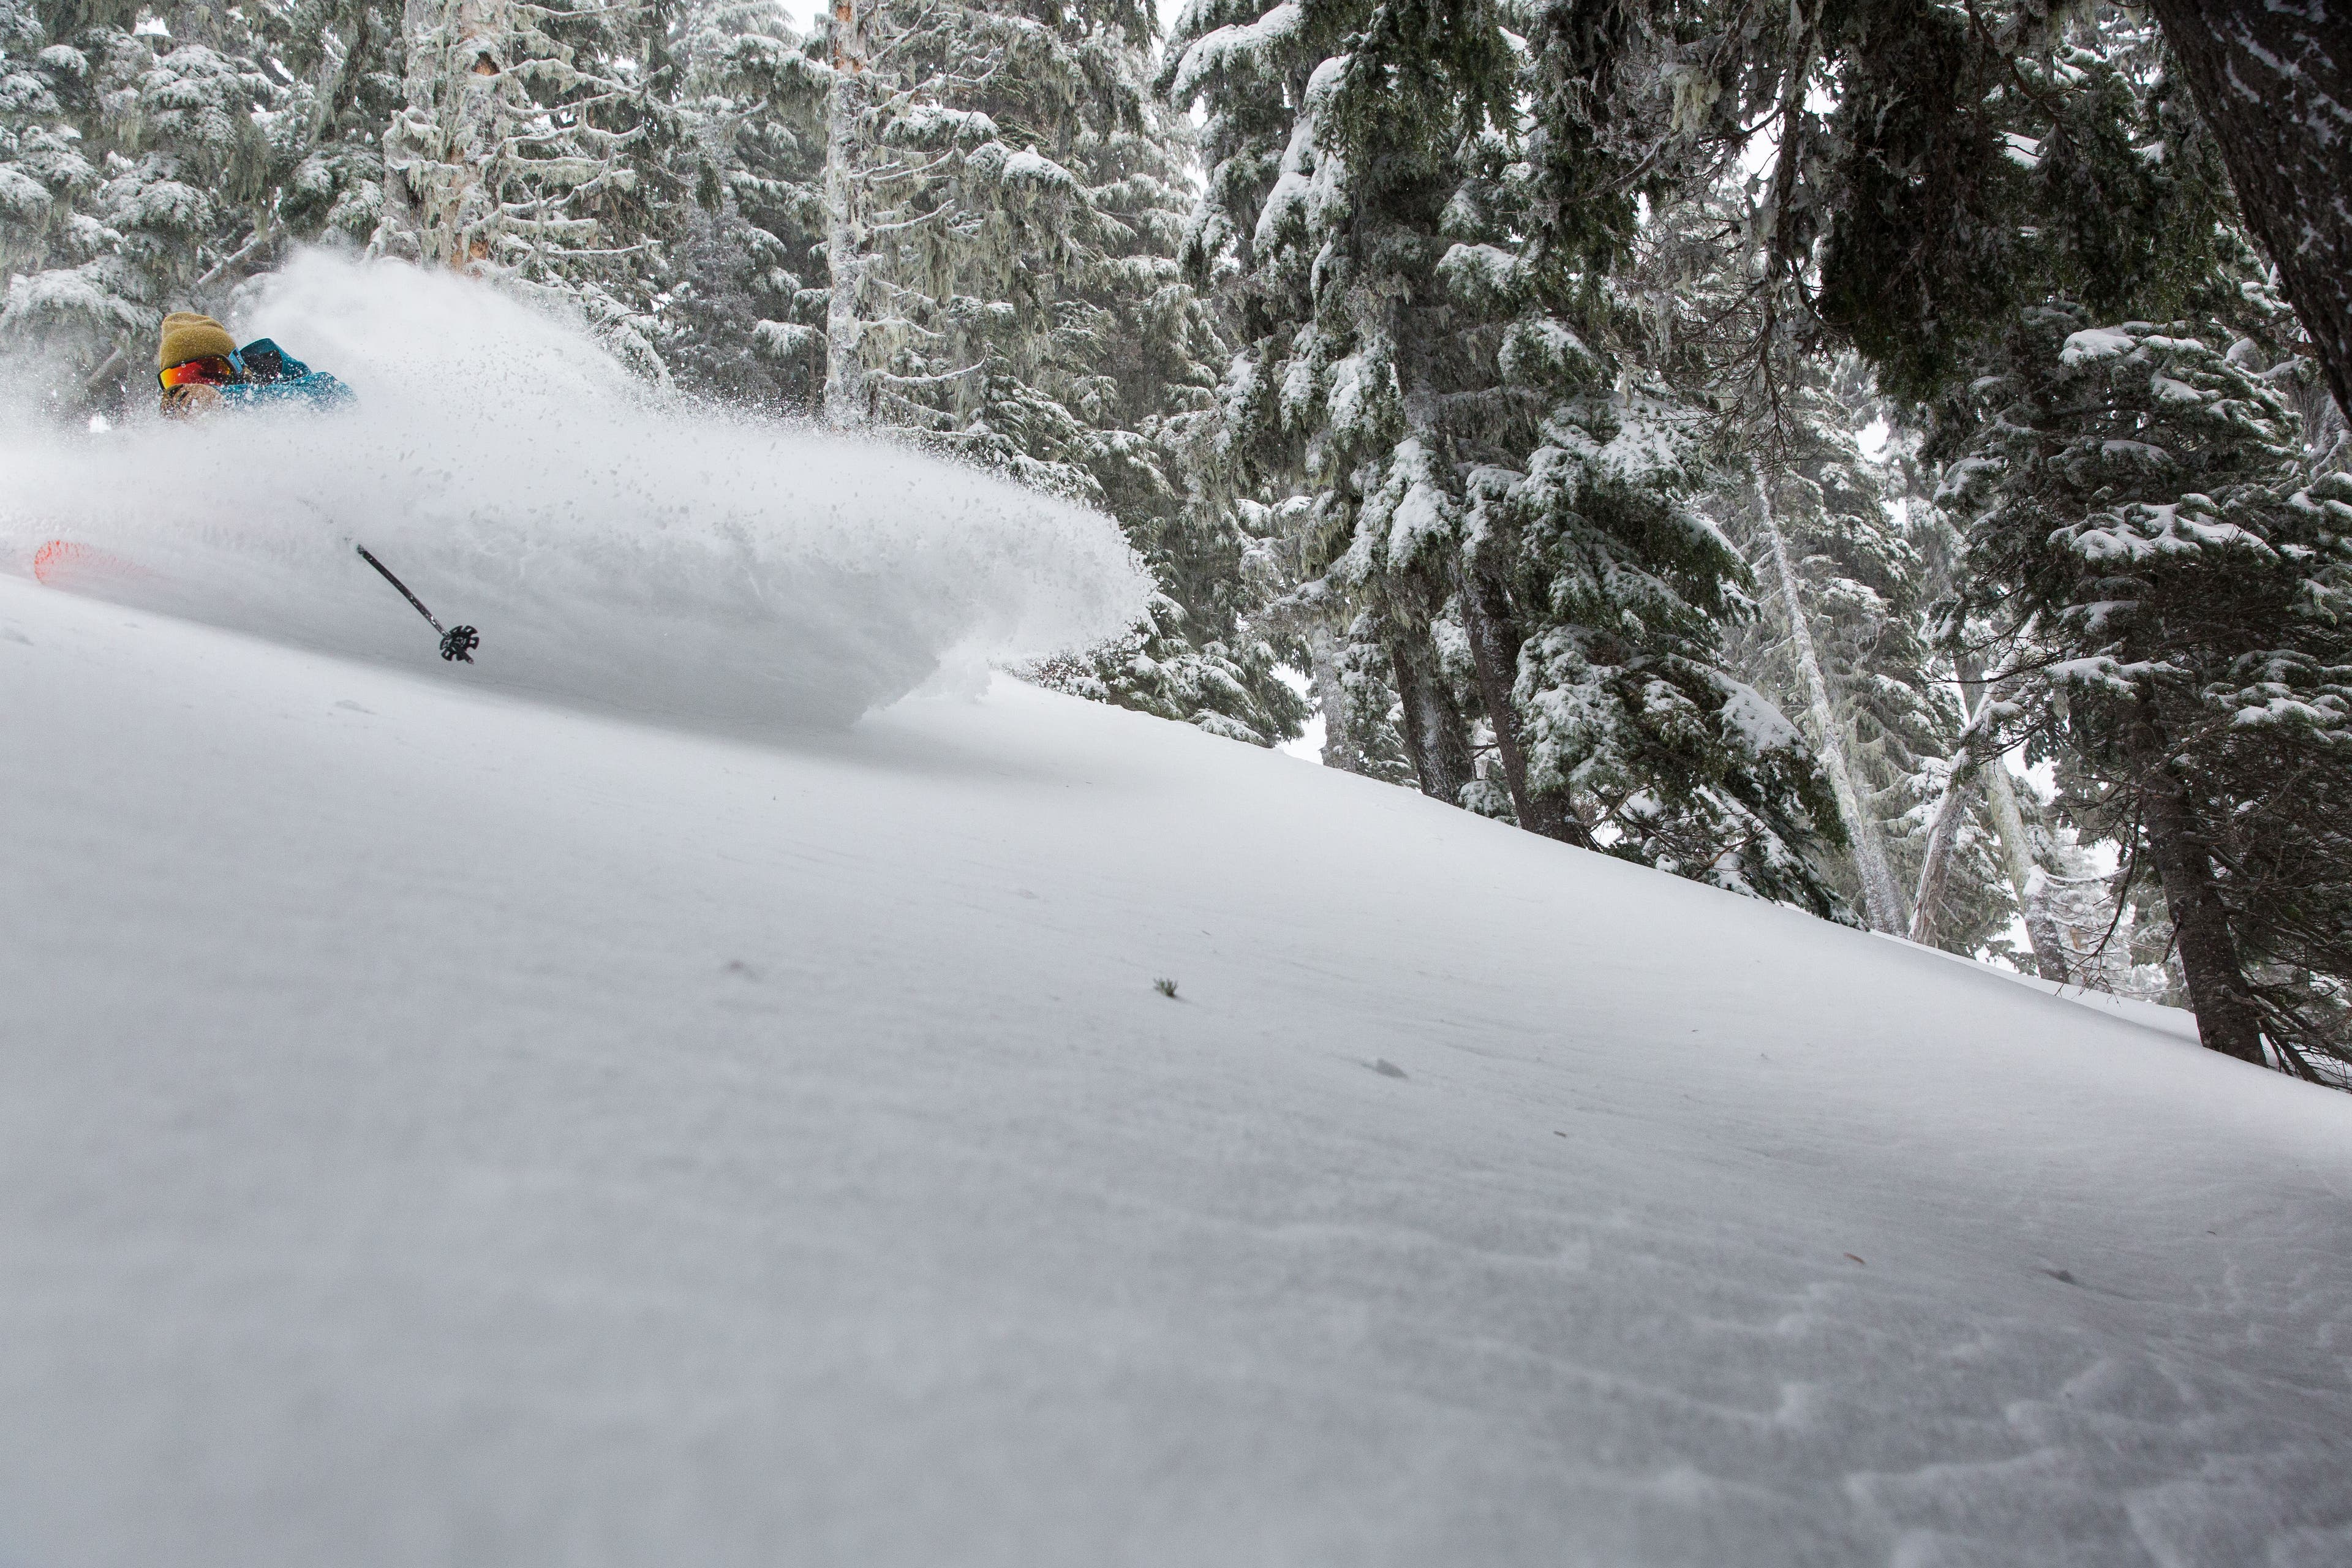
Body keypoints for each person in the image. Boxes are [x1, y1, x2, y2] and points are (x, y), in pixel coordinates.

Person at [157, 312, 354, 418]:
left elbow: (335, 394)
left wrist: (226, 399)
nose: (198, 390)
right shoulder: (181, 435)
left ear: (236, 366)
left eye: (212, 372)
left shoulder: (276, 377)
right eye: (179, 381)